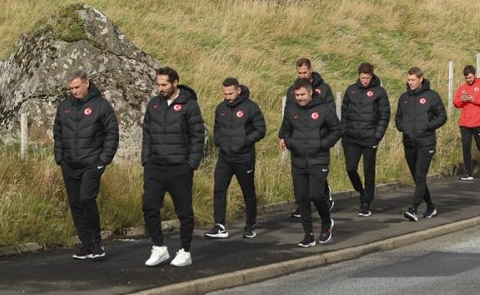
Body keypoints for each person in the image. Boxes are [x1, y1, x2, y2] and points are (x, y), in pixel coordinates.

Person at [141, 67, 205, 267]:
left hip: (179, 167)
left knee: (184, 212)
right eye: (158, 84)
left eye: (164, 84)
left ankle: (185, 251)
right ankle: (159, 248)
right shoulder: (154, 104)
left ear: (175, 83)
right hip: (155, 167)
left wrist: (191, 164)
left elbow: (197, 135)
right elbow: (147, 134)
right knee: (149, 206)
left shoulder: (189, 105)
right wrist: (146, 159)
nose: (160, 88)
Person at [53, 70, 119, 260]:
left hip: (92, 163)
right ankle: (86, 245)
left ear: (86, 84)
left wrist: (103, 160)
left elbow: (112, 134)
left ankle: (97, 244)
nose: (74, 91)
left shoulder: (101, 106)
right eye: (71, 88)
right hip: (69, 164)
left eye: (77, 87)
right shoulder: (64, 106)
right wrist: (60, 157)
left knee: (86, 199)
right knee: (75, 204)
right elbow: (58, 131)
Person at [279, 79, 342, 247]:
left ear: (310, 92)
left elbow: (337, 130)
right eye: (297, 95)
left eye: (302, 94)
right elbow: (285, 130)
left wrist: (323, 144)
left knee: (316, 194)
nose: (299, 98)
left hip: (318, 159)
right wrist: (290, 143)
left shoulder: (324, 109)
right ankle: (308, 234)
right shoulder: (291, 110)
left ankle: (326, 223)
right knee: (301, 198)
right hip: (298, 160)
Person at [207, 77, 266, 240]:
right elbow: (217, 128)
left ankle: (250, 225)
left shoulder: (251, 107)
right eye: (225, 93)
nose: (227, 96)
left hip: (244, 158)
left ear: (238, 90)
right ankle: (219, 225)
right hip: (225, 158)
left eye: (230, 93)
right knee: (219, 190)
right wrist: (219, 141)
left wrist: (245, 141)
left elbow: (261, 129)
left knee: (248, 192)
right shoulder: (220, 108)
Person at [395, 67, 447, 221]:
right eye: (408, 80)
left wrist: (428, 126)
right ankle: (431, 207)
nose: (410, 82)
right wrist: (402, 126)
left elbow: (442, 116)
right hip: (409, 142)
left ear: (420, 79)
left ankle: (414, 208)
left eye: (413, 80)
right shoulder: (403, 98)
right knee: (418, 179)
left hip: (426, 143)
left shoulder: (432, 96)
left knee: (420, 175)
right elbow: (398, 117)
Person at [285, 58, 335, 216]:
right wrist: (284, 137)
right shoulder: (292, 90)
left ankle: (324, 196)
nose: (302, 75)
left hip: (318, 139)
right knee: (303, 176)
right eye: (299, 73)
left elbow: (331, 116)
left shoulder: (324, 89)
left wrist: (323, 141)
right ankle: (303, 207)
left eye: (304, 72)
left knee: (316, 175)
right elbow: (288, 116)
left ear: (311, 70)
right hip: (300, 139)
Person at [340, 62, 390, 217]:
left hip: (369, 138)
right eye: (362, 77)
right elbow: (344, 112)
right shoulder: (351, 90)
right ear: (358, 75)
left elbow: (384, 115)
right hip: (351, 138)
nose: (365, 80)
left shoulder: (379, 92)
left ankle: (367, 202)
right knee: (350, 168)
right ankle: (361, 192)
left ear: (372, 75)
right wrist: (343, 131)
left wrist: (377, 136)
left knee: (369, 171)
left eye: (367, 78)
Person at [452, 65, 480, 180]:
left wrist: (473, 99)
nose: (468, 80)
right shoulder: (462, 88)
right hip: (465, 123)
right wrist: (462, 100)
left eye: (470, 78)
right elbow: (455, 103)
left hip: (479, 122)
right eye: (466, 78)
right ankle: (467, 172)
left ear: (474, 75)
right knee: (466, 146)